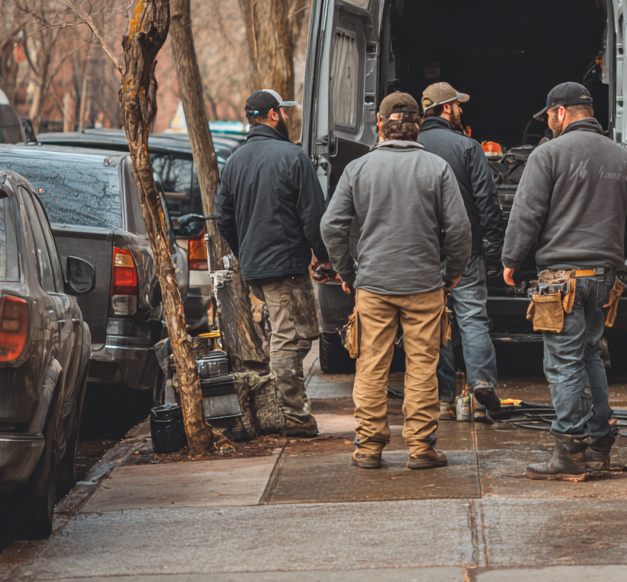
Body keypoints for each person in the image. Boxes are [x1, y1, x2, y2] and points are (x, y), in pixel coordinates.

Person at [501, 82, 627, 479]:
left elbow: (526, 212)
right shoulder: (624, 158)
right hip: (604, 277)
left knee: (563, 363)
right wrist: (614, 257)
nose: (548, 124)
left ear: (561, 112)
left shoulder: (548, 153)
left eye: (548, 116)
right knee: (591, 356)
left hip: (561, 279)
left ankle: (568, 453)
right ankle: (599, 444)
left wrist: (511, 259)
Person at [320, 92, 471, 470]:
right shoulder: (437, 168)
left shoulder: (358, 168)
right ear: (418, 125)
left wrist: (349, 273)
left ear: (380, 125)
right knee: (422, 367)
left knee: (371, 367)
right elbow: (459, 229)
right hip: (425, 286)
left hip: (373, 287)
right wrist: (452, 272)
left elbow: (331, 226)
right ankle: (421, 449)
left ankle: (369, 448)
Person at [216, 89, 329, 438]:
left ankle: (283, 399)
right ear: (274, 115)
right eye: (284, 111)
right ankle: (293, 415)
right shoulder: (293, 156)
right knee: (285, 339)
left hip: (261, 267)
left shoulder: (235, 161)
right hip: (284, 267)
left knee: (302, 335)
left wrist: (243, 250)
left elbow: (223, 217)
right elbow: (314, 216)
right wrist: (324, 256)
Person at [417, 82, 505, 421]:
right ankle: (481, 385)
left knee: (434, 321)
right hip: (464, 249)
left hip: (423, 251)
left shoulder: (410, 146)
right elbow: (486, 202)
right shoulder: (468, 147)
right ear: (445, 108)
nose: (461, 111)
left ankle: (442, 400)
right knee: (471, 318)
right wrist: (493, 246)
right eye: (457, 105)